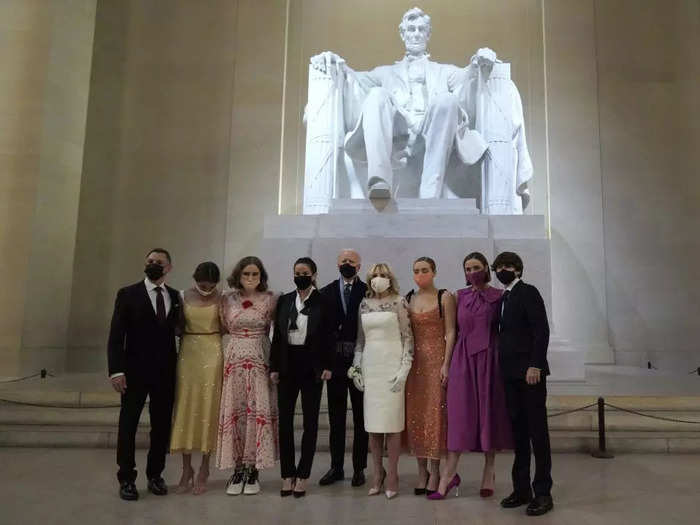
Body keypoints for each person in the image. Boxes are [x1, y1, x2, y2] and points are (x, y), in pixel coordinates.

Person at [309, 7, 493, 199]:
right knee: (376, 95)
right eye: (411, 29)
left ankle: (430, 194)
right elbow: (353, 80)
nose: (416, 34)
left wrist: (480, 63)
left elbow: (469, 79)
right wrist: (335, 64)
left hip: (434, 135)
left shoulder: (444, 72)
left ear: (428, 35)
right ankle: (379, 183)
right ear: (402, 34)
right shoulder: (385, 73)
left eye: (421, 30)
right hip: (399, 137)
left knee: (446, 100)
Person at [429, 252, 512, 500]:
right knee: (460, 416)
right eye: (467, 268)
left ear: (486, 268)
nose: (472, 271)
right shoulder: (458, 296)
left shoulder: (499, 297)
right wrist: (446, 364)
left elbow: (505, 330)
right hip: (463, 360)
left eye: (476, 267)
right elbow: (451, 331)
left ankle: (489, 471)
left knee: (488, 414)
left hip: (490, 360)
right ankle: (448, 476)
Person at [107, 248, 181, 501]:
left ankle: (155, 475)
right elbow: (116, 336)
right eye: (150, 261)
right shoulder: (128, 294)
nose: (153, 265)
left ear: (168, 267)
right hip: (133, 372)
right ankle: (126, 478)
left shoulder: (175, 296)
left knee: (161, 427)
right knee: (128, 425)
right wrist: (116, 371)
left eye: (159, 262)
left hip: (165, 374)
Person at [493, 251, 553, 516]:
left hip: (530, 374)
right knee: (518, 434)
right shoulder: (504, 297)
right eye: (498, 267)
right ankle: (521, 488)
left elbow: (541, 330)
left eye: (506, 266)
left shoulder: (528, 292)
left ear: (517, 269)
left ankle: (543, 492)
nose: (501, 271)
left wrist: (535, 364)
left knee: (537, 433)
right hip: (510, 375)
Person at [270, 257, 335, 498]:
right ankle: (287, 474)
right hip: (287, 365)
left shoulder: (324, 301)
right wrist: (274, 367)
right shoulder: (285, 300)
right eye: (297, 272)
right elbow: (277, 335)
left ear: (314, 275)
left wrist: (328, 365)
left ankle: (303, 474)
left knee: (310, 422)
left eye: (305, 272)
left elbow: (330, 337)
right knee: (285, 422)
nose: (301, 275)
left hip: (312, 367)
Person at [348, 263, 413, 499]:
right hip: (371, 367)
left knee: (393, 425)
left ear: (390, 278)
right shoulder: (364, 304)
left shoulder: (399, 302)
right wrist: (356, 368)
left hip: (392, 365)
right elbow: (360, 341)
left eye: (383, 275)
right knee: (373, 427)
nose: (378, 279)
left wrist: (404, 369)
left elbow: (408, 338)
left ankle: (393, 474)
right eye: (375, 275)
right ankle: (378, 473)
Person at [216, 256, 279, 496]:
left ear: (261, 276)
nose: (251, 279)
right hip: (234, 363)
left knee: (256, 413)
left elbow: (277, 330)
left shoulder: (270, 299)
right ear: (238, 276)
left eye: (255, 274)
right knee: (236, 413)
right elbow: (222, 327)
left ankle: (253, 469)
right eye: (246, 274)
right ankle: (237, 468)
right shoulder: (227, 300)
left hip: (259, 359)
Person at [170, 262, 224, 495]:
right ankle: (185, 468)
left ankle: (204, 468)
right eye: (202, 285)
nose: (206, 289)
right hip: (188, 351)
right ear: (195, 279)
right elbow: (176, 326)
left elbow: (227, 326)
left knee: (208, 407)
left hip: (212, 349)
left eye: (211, 286)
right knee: (185, 406)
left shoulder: (223, 297)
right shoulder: (181, 296)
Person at [404, 257, 455, 496]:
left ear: (434, 272)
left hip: (436, 362)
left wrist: (446, 363)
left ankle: (436, 471)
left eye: (424, 270)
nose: (420, 274)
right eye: (416, 271)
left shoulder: (444, 296)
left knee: (435, 415)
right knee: (416, 415)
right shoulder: (408, 298)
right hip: (414, 364)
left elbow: (451, 331)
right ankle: (421, 470)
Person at [318, 249, 369, 488]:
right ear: (337, 265)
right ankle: (336, 467)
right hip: (335, 363)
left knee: (361, 417)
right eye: (343, 261)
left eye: (351, 262)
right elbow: (321, 331)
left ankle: (359, 468)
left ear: (359, 267)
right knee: (336, 418)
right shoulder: (326, 292)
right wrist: (325, 364)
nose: (347, 264)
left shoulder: (367, 291)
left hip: (360, 361)